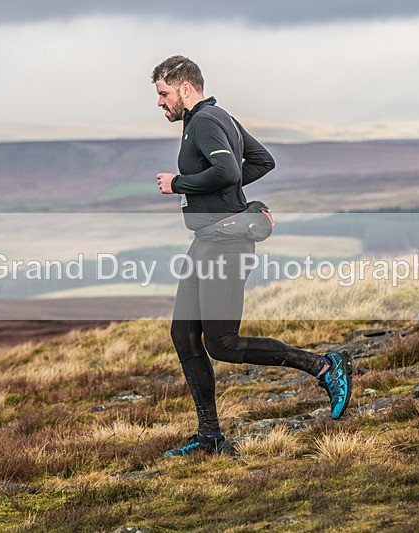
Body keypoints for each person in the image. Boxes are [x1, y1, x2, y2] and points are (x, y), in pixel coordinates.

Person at [151, 55, 350, 456]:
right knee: (183, 334)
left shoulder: (205, 122)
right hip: (207, 239)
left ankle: (324, 366)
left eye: (163, 94)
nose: (160, 103)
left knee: (221, 343)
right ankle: (209, 437)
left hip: (225, 244)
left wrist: (180, 183)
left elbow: (227, 172)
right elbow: (261, 161)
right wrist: (223, 195)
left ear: (185, 88)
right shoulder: (213, 118)